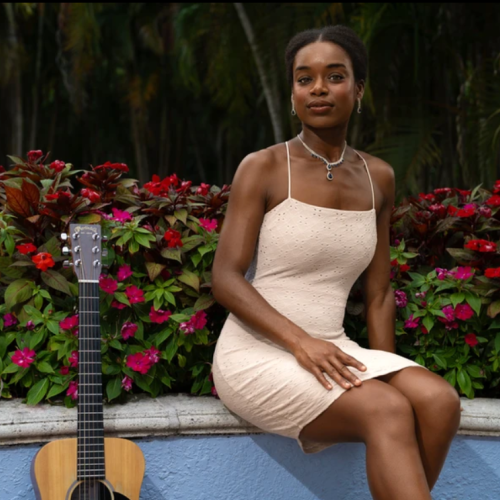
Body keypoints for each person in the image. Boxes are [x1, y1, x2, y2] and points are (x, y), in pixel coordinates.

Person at [211, 25, 461, 499]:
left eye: (335, 76)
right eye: (305, 79)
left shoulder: (378, 177)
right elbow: (225, 278)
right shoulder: (263, 166)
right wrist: (302, 343)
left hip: (334, 346)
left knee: (438, 401)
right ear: (292, 94)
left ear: (359, 89)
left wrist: (387, 366)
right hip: (259, 352)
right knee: (385, 410)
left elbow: (379, 293)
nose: (319, 88)